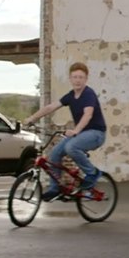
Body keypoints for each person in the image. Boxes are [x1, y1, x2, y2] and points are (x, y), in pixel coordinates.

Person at [24, 62, 107, 201]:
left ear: (86, 79)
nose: (77, 80)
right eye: (75, 77)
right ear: (70, 79)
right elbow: (51, 107)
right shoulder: (70, 96)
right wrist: (32, 118)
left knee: (71, 147)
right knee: (54, 154)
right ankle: (55, 189)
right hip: (81, 134)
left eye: (81, 77)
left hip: (96, 133)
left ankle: (92, 173)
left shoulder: (88, 94)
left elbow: (88, 114)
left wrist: (76, 130)